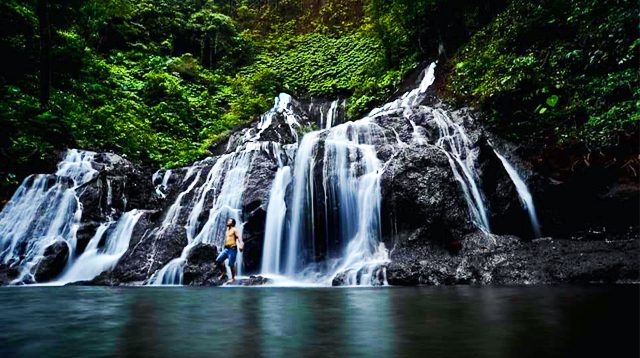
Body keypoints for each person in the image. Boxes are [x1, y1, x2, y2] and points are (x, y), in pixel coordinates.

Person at [216, 218, 243, 283]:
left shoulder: (234, 229)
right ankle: (223, 273)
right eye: (228, 221)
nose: (227, 222)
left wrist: (241, 245)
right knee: (218, 260)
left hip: (232, 249)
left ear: (233, 223)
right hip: (226, 249)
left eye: (229, 221)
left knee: (231, 264)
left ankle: (233, 278)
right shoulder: (227, 231)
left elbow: (239, 238)